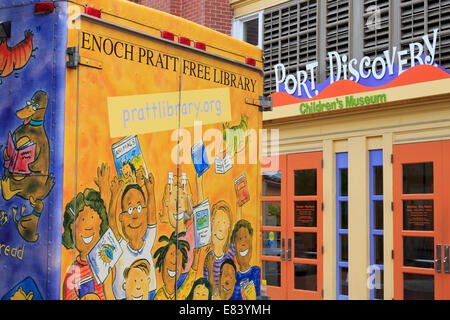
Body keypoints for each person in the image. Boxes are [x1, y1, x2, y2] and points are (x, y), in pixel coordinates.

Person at [105, 167, 157, 300]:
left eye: (139, 208)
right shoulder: (121, 247)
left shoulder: (147, 243)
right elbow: (112, 226)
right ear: (121, 217)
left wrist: (150, 192)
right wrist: (115, 195)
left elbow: (151, 219)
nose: (135, 215)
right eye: (129, 209)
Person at [61, 188, 109, 300]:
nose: (88, 227)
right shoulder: (73, 273)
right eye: (82, 219)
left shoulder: (106, 262)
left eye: (92, 218)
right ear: (71, 229)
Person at [203, 200, 234, 295]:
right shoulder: (208, 259)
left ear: (229, 229)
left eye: (225, 223)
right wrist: (210, 267)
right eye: (217, 222)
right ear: (211, 225)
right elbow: (211, 292)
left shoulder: (230, 253)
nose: (221, 228)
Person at [230, 219, 260, 300]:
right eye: (240, 239)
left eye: (246, 238)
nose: (243, 243)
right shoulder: (233, 279)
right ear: (234, 246)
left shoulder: (257, 273)